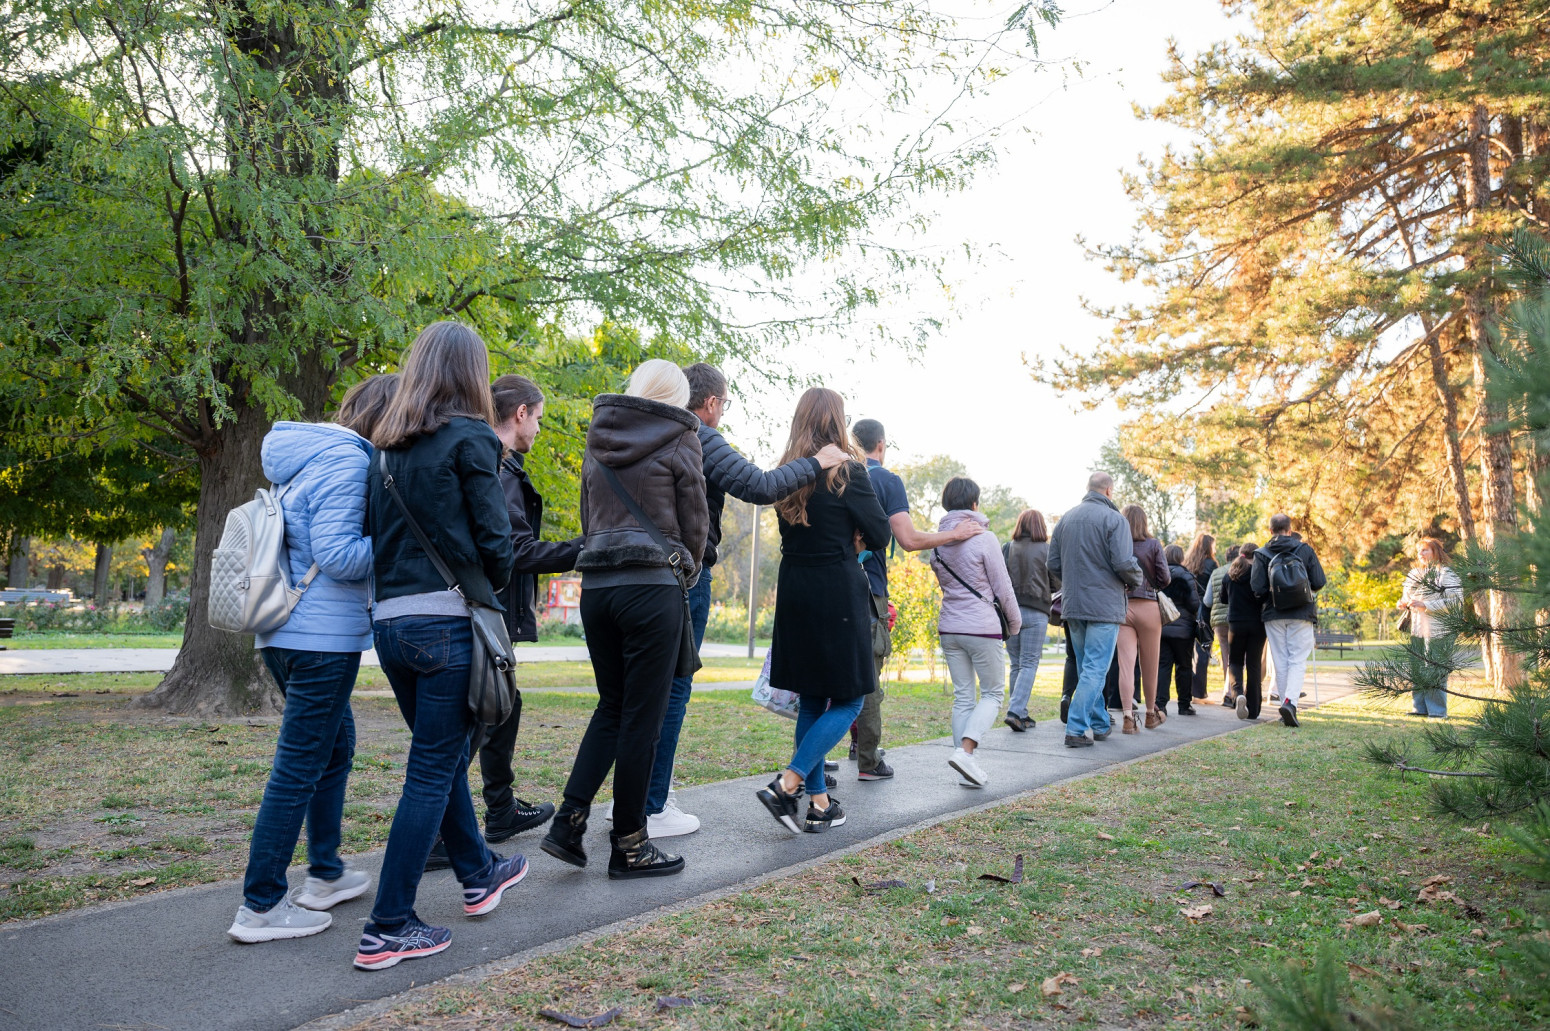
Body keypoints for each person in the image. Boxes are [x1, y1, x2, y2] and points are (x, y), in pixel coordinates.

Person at [359, 323, 525, 970]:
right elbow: (497, 543)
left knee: (442, 760)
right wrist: (492, 578)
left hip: (390, 626)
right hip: (446, 623)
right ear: (472, 374)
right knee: (431, 769)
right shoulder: (473, 437)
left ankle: (480, 873)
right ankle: (387, 924)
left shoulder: (386, 448)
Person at [627, 362, 844, 838]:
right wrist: (816, 463)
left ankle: (627, 803)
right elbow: (760, 485)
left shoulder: (632, 436)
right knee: (674, 688)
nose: (721, 413)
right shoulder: (698, 436)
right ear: (709, 403)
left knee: (636, 693)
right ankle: (652, 805)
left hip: (625, 578)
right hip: (680, 576)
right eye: (723, 405)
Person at [226, 375, 398, 944]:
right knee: (298, 766)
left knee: (334, 748)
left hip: (286, 633)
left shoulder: (305, 458)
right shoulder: (349, 463)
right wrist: (401, 540)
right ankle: (262, 906)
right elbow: (339, 554)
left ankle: (325, 874)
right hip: (321, 638)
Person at [539, 360, 708, 878]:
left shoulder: (599, 435)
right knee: (643, 719)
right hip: (650, 586)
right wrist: (691, 565)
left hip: (598, 588)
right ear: (677, 397)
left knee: (612, 707)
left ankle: (568, 821)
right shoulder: (682, 436)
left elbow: (590, 516)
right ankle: (630, 844)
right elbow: (694, 517)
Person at [441, 375, 585, 860]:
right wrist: (587, 548)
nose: (541, 428)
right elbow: (516, 549)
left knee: (503, 705)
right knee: (478, 717)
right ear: (520, 413)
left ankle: (499, 808)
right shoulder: (498, 469)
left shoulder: (499, 464)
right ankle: (445, 829)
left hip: (488, 606)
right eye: (540, 418)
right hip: (482, 607)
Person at [756, 388, 891, 832]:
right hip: (837, 586)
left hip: (795, 585)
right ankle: (787, 784)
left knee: (814, 698)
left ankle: (818, 803)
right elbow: (879, 533)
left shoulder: (787, 473)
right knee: (851, 698)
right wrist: (853, 535)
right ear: (837, 420)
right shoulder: (848, 471)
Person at [850, 418, 980, 780]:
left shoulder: (832, 473)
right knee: (867, 678)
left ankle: (811, 762)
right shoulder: (886, 480)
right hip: (866, 587)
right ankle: (869, 760)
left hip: (823, 585)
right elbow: (908, 539)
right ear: (881, 444)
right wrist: (954, 534)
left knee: (825, 676)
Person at [928, 477, 1021, 786]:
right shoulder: (985, 539)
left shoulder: (937, 544)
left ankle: (965, 767)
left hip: (949, 627)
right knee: (993, 692)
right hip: (981, 627)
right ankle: (966, 753)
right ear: (974, 504)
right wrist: (1015, 622)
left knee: (964, 697)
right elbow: (1002, 587)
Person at [1049, 472, 1143, 748]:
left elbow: (1052, 563)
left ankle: (1100, 723)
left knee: (1087, 668)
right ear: (1109, 491)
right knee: (1094, 669)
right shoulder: (1115, 520)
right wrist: (1135, 580)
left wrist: (1073, 583)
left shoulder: (1065, 519)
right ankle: (1076, 728)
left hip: (1074, 605)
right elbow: (1125, 563)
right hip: (1104, 605)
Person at [1250, 514, 1326, 728]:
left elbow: (1257, 588)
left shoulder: (1261, 554)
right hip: (1301, 612)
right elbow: (1319, 581)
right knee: (1297, 659)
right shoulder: (1304, 550)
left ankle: (1286, 705)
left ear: (1270, 530)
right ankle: (1289, 703)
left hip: (1273, 614)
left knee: (1281, 660)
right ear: (1290, 530)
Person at [1116, 504, 1170, 733]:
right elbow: (1165, 578)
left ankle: (1128, 717)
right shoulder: (1154, 544)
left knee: (1125, 666)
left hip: (1123, 606)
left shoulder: (1118, 546)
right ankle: (1150, 714)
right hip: (1149, 607)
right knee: (1150, 664)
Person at [1398, 536, 1463, 718]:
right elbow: (1407, 596)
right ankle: (1420, 708)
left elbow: (1456, 600)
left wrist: (1426, 605)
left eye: (1425, 550)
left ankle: (1437, 711)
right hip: (1417, 628)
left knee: (1435, 668)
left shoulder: (1447, 574)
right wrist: (1403, 603)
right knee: (1417, 667)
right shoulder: (1415, 574)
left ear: (1436, 552)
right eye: (1419, 551)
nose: (1421, 553)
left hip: (1440, 629)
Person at [1003, 509, 1052, 732]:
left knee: (1016, 664)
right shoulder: (1048, 550)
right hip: (1037, 610)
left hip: (1010, 611)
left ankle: (1020, 713)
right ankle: (1014, 711)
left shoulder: (1008, 548)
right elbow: (1057, 582)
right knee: (1030, 663)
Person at [1157, 543, 1202, 717]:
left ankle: (1160, 704)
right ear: (1181, 557)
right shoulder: (1187, 576)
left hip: (1162, 628)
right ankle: (1184, 705)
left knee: (1163, 666)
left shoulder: (1158, 575)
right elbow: (1194, 604)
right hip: (1183, 631)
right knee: (1184, 666)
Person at [1222, 543, 1265, 720]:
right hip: (1256, 624)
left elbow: (1223, 599)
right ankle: (1253, 709)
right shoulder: (1258, 575)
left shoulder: (1230, 575)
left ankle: (1237, 693)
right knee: (1254, 665)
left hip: (1236, 624)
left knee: (1235, 662)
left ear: (1241, 555)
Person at [1182, 533, 1217, 701]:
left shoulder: (1187, 563)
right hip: (1204, 611)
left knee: (1187, 652)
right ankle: (1199, 692)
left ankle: (1187, 691)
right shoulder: (1211, 564)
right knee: (1203, 650)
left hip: (1188, 610)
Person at [1202, 544, 1239, 706]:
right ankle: (1235, 691)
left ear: (1226, 557)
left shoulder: (1216, 572)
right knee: (1238, 657)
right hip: (1238, 618)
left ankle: (1228, 692)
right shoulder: (1243, 570)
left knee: (1226, 657)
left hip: (1219, 621)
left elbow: (1207, 601)